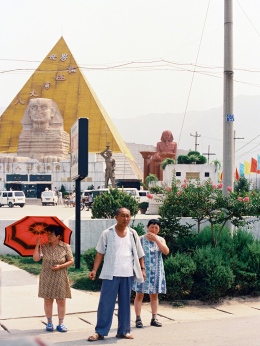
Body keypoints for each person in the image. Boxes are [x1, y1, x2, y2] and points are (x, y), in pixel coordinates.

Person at [87, 207, 145, 341]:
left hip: (127, 273)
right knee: (105, 303)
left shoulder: (133, 234)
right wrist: (94, 270)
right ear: (116, 217)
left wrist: (142, 269)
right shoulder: (107, 233)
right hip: (110, 274)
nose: (126, 219)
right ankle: (100, 332)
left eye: (128, 216)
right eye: (123, 216)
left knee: (125, 304)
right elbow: (100, 253)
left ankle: (123, 331)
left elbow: (140, 253)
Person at [33, 224, 74, 333]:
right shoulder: (44, 246)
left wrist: (60, 266)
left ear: (58, 236)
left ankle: (61, 324)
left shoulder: (65, 246)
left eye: (51, 234)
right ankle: (49, 323)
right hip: (47, 276)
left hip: (60, 276)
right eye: (48, 234)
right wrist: (37, 244)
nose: (49, 236)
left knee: (61, 301)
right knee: (47, 300)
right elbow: (36, 259)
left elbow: (71, 261)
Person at [132, 219, 169, 328]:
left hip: (156, 272)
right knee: (139, 295)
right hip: (143, 271)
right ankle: (138, 319)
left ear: (159, 229)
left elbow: (166, 251)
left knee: (154, 295)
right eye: (152, 227)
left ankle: (154, 318)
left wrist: (156, 240)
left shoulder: (161, 239)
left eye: (156, 228)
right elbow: (137, 255)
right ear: (147, 227)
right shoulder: (140, 239)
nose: (153, 229)